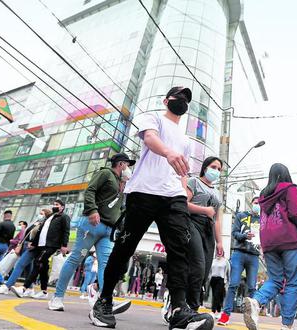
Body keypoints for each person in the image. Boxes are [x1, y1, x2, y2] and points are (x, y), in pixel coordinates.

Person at [90, 86, 213, 329]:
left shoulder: (186, 141)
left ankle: (178, 309)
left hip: (174, 197)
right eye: (178, 97)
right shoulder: (152, 117)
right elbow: (150, 138)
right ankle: (103, 301)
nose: (182, 101)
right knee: (125, 247)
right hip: (143, 192)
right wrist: (167, 152)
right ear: (166, 100)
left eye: (186, 99)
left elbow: (183, 173)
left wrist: (183, 190)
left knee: (179, 252)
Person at [48, 153, 134, 313]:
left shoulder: (121, 184)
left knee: (106, 265)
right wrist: (92, 210)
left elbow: (118, 208)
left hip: (108, 230)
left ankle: (105, 299)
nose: (129, 170)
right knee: (75, 259)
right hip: (92, 224)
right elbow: (90, 191)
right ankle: (57, 297)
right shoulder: (105, 173)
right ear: (121, 164)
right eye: (128, 166)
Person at [243, 163, 297, 330]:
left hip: (269, 242)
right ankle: (286, 325)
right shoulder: (289, 188)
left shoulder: (264, 194)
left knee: (276, 280)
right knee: (292, 282)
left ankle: (256, 301)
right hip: (289, 239)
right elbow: (294, 213)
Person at [185, 156, 225, 311]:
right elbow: (183, 203)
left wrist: (219, 242)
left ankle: (186, 303)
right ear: (205, 167)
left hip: (208, 229)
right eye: (213, 167)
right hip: (192, 224)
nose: (216, 171)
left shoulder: (218, 193)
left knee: (205, 271)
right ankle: (192, 308)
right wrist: (204, 210)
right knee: (198, 266)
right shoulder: (193, 182)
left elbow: (217, 220)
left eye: (219, 169)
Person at [11, 200, 69, 299]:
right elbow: (40, 231)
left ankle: (24, 288)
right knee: (43, 267)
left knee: (38, 262)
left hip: (52, 245)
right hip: (42, 245)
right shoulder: (50, 217)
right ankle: (44, 291)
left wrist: (64, 245)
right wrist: (34, 244)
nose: (54, 206)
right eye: (54, 204)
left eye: (57, 205)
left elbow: (66, 231)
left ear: (62, 207)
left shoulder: (64, 217)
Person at [217, 197, 261, 326]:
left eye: (260, 204)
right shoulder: (241, 216)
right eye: (256, 203)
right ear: (251, 203)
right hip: (239, 253)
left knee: (252, 287)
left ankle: (252, 317)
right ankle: (225, 315)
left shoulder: (264, 219)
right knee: (233, 284)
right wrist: (244, 236)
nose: (257, 205)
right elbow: (234, 233)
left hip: (254, 256)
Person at [0, 209, 49, 295]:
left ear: (46, 216)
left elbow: (40, 237)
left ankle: (7, 286)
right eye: (39, 213)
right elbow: (27, 235)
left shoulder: (44, 225)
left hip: (33, 247)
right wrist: (21, 244)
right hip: (25, 246)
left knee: (20, 265)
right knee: (28, 269)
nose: (39, 215)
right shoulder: (36, 222)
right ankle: (30, 289)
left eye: (42, 214)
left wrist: (33, 244)